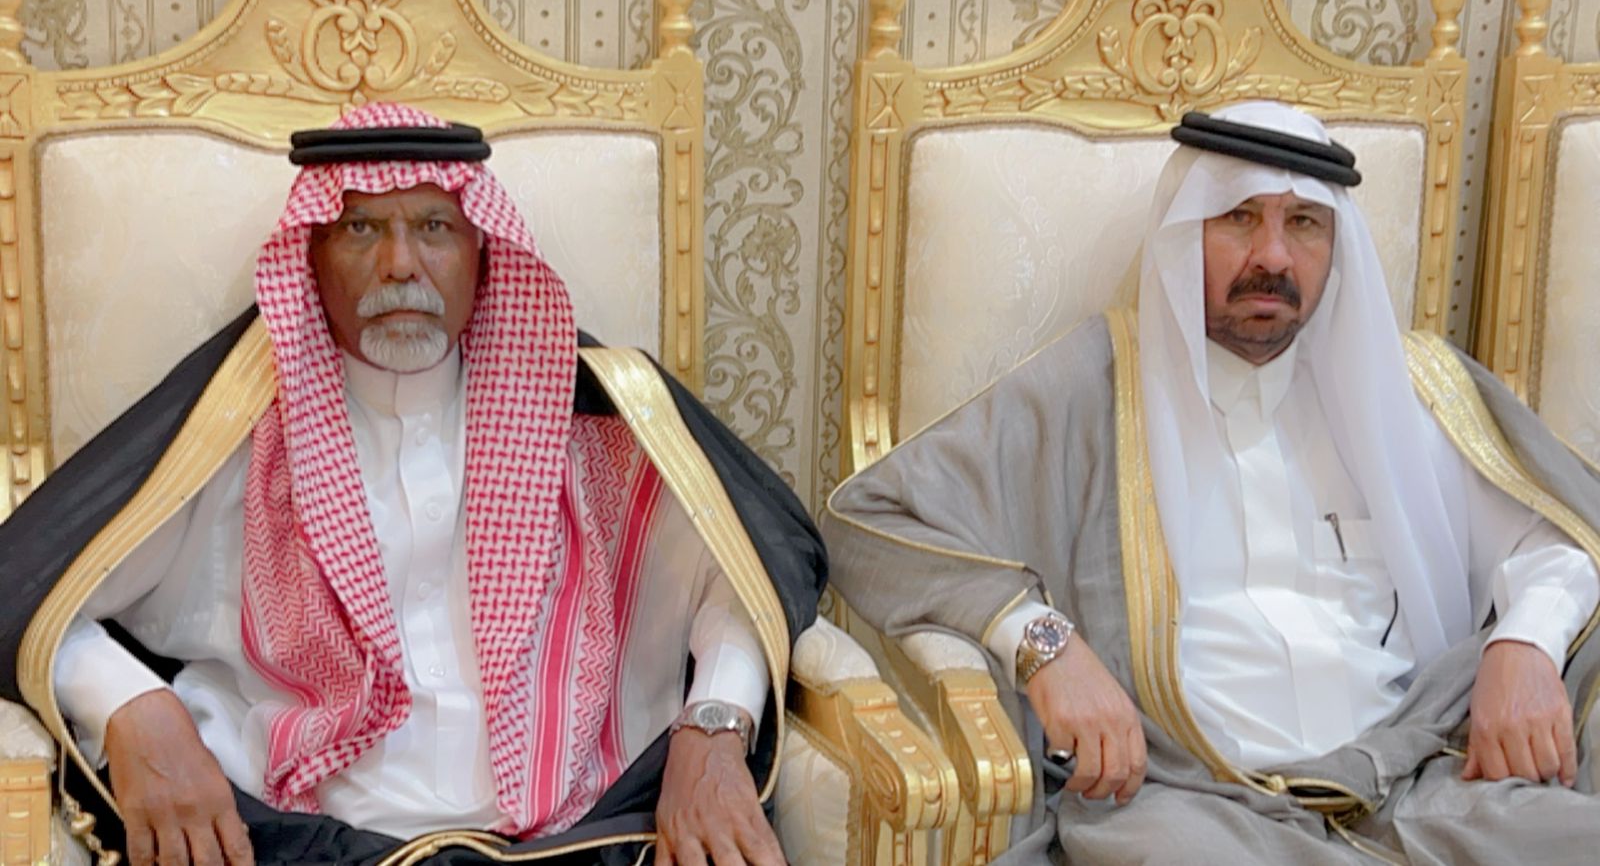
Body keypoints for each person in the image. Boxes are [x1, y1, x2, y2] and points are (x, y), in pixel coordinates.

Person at [0, 103, 825, 866]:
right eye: (361, 228)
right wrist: (131, 705)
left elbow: (746, 570)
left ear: (481, 251)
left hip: (577, 839)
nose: (400, 264)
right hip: (297, 844)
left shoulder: (592, 429)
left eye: (435, 227)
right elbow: (32, 591)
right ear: (312, 257)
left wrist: (713, 726)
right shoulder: (234, 440)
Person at [822, 100, 1600, 863]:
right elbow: (870, 521)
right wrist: (1044, 645)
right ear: (1185, 228)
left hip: (1418, 783)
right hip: (1191, 802)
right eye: (1238, 217)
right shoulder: (1091, 390)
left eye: (1304, 223)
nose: (1273, 257)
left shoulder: (1409, 390)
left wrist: (1525, 643)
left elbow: (1561, 535)